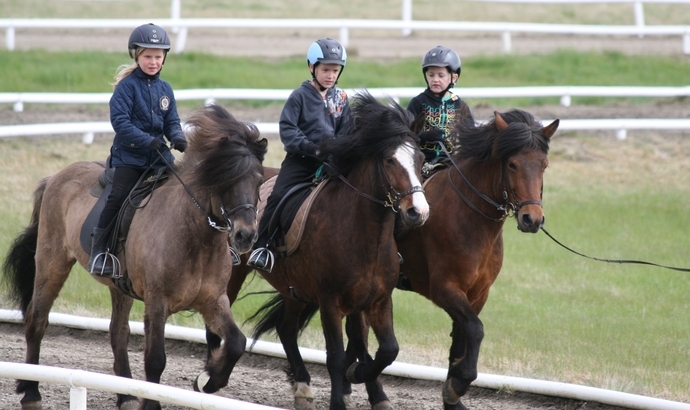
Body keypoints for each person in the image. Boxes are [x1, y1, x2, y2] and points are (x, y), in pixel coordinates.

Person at [89, 23, 187, 277]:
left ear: (164, 57)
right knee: (118, 197)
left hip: (159, 158)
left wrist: (177, 137)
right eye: (147, 56)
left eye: (157, 56)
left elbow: (171, 121)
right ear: (136, 56)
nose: (153, 61)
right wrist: (147, 141)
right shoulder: (127, 87)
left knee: (184, 191)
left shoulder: (165, 89)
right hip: (130, 158)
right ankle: (101, 251)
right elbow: (120, 123)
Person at [247, 38, 351, 272]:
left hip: (332, 163)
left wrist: (339, 151)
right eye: (325, 70)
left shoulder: (342, 99)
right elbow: (289, 130)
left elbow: (347, 130)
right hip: (301, 162)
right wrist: (312, 149)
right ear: (312, 67)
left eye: (335, 70)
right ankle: (262, 247)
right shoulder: (299, 97)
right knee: (277, 196)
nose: (330, 75)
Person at [407, 45, 475, 167]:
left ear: (454, 77)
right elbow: (406, 133)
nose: (435, 79)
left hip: (452, 165)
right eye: (431, 75)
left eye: (441, 75)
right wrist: (425, 136)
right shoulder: (418, 102)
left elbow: (471, 137)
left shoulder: (460, 106)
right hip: (421, 164)